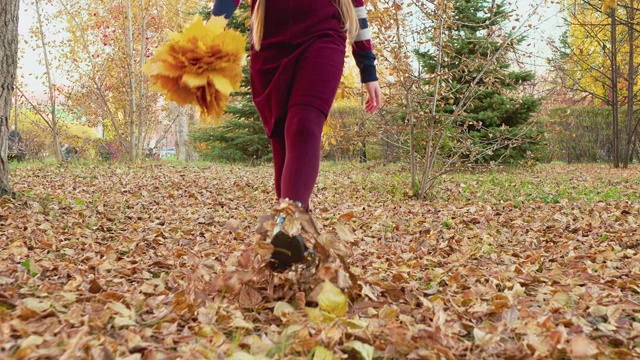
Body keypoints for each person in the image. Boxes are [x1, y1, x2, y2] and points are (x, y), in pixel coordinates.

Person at [212, 0, 382, 270]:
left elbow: (357, 7)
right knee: (281, 143)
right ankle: (298, 245)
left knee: (303, 125)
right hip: (268, 41)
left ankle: (287, 226)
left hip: (322, 33)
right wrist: (214, 27)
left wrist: (367, 67)